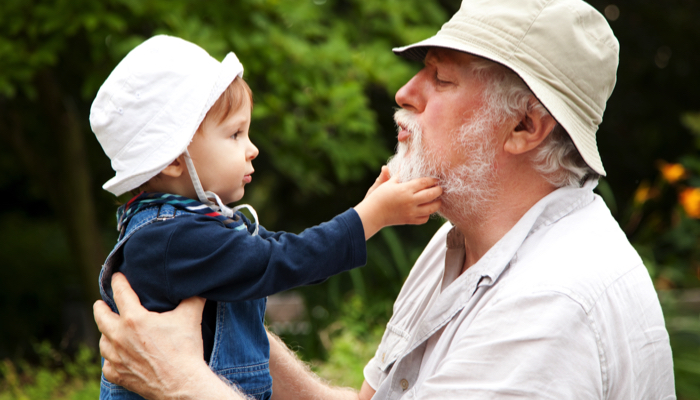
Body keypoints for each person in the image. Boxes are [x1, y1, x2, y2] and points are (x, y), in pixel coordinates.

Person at [94, 0, 677, 399]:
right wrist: (224, 327)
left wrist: (182, 380)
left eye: (441, 78)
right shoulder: (461, 244)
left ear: (525, 127)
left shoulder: (551, 309)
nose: (404, 91)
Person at [90, 35, 442, 400]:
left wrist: (367, 209)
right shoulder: (170, 239)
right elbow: (281, 260)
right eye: (235, 134)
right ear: (176, 159)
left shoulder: (193, 226)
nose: (252, 148)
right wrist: (371, 217)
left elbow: (278, 248)